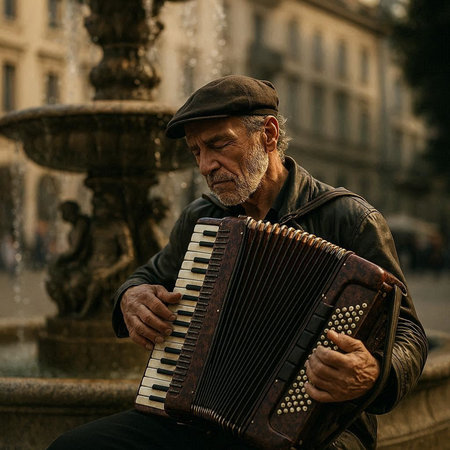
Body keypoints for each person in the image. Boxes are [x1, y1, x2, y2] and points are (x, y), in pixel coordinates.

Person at [48, 75, 428, 449]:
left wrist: (373, 373)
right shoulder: (202, 217)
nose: (205, 166)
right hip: (199, 417)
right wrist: (131, 295)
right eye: (196, 151)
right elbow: (149, 275)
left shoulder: (350, 219)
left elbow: (409, 332)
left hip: (318, 428)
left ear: (268, 134)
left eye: (218, 145)